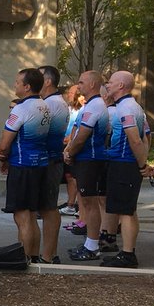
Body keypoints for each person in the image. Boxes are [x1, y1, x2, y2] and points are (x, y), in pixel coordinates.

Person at [0, 68, 55, 262]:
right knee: (31, 214)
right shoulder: (44, 105)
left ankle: (25, 258)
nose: (15, 85)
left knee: (22, 216)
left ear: (27, 87)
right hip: (41, 164)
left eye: (17, 82)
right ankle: (34, 257)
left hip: (22, 165)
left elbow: (5, 143)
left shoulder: (21, 108)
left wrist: (1, 155)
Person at [95, 70, 151, 268]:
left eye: (110, 82)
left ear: (120, 86)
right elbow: (145, 137)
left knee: (126, 212)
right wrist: (142, 162)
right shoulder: (132, 106)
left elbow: (136, 139)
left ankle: (128, 254)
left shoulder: (126, 108)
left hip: (124, 163)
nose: (107, 85)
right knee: (126, 210)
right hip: (124, 163)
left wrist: (142, 165)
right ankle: (126, 252)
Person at [63, 71, 110, 261]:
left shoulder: (95, 105)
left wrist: (70, 153)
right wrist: (70, 149)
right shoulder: (90, 105)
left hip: (90, 159)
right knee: (87, 202)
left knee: (90, 203)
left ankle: (92, 246)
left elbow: (82, 135)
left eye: (81, 82)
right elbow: (77, 133)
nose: (78, 85)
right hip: (87, 158)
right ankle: (90, 243)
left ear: (92, 84)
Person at [39, 64, 71, 262]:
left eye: (38, 77)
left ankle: (49, 255)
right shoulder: (50, 102)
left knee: (49, 208)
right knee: (46, 207)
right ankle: (48, 253)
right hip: (48, 159)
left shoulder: (52, 104)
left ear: (48, 81)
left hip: (50, 160)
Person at [60, 85, 82, 217]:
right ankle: (71, 204)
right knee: (69, 176)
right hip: (64, 145)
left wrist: (70, 138)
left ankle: (79, 205)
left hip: (74, 144)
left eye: (72, 93)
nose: (69, 95)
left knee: (75, 177)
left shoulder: (82, 110)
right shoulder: (68, 109)